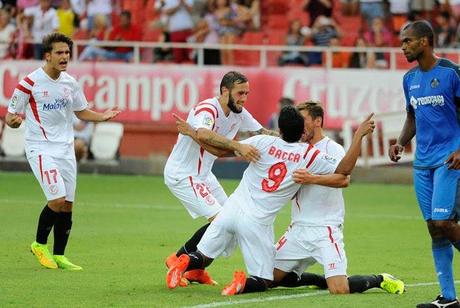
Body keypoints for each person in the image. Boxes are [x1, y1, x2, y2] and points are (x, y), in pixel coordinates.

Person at [166, 106, 376, 295]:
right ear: (301, 130)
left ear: (280, 128)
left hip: (230, 210)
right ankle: (241, 284)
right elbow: (344, 170)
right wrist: (358, 136)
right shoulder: (309, 155)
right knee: (264, 279)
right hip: (256, 221)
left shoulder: (261, 142)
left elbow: (220, 151)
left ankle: (184, 261)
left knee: (204, 255)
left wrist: (192, 132)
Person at [5, 33, 120, 271]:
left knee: (67, 204)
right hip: (40, 148)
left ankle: (60, 255)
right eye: (59, 52)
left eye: (67, 52)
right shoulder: (30, 82)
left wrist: (102, 116)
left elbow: (81, 111)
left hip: (66, 149)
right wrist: (14, 122)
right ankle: (39, 244)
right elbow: (10, 115)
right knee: (56, 199)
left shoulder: (70, 83)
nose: (65, 57)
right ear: (47, 55)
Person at [272, 101, 405, 295]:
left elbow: (344, 180)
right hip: (298, 229)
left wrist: (312, 178)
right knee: (268, 279)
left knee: (340, 289)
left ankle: (380, 279)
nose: (300, 125)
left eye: (304, 120)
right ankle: (320, 280)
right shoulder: (296, 148)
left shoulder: (332, 149)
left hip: (325, 229)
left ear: (317, 121)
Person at [163, 71, 275, 285]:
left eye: (247, 93)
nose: (244, 98)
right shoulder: (208, 109)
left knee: (232, 221)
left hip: (204, 175)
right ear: (225, 91)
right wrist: (237, 145)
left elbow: (262, 132)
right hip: (183, 174)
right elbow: (204, 134)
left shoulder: (239, 112)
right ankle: (177, 260)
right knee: (223, 222)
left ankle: (195, 271)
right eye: (240, 93)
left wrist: (294, 141)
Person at [389, 20, 460, 308]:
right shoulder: (409, 79)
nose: (402, 46)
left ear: (425, 41)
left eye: (407, 41)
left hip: (449, 160)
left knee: (444, 222)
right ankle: (448, 298)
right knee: (434, 227)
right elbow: (412, 116)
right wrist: (400, 141)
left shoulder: (452, 73)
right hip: (422, 164)